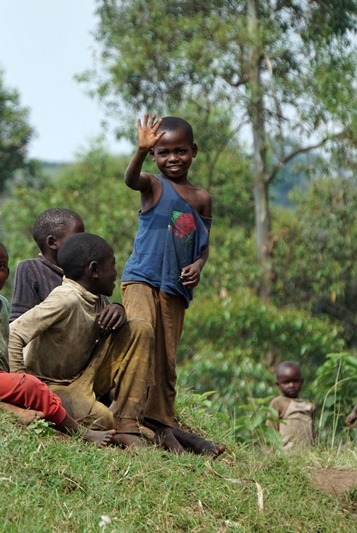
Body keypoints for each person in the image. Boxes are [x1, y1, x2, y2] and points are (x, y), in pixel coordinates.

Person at [0, 235, 115, 447]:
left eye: (0, 266)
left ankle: (12, 410)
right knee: (30, 385)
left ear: (7, 272)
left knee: (27, 391)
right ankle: (79, 431)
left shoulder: (2, 304)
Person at [119, 114, 224, 456]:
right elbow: (129, 179)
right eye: (163, 153)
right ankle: (127, 416)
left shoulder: (202, 198)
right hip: (141, 278)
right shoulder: (152, 184)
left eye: (180, 151)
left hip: (174, 287)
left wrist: (198, 265)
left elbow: (202, 244)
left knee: (167, 359)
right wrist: (138, 151)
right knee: (141, 334)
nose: (172, 158)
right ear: (154, 156)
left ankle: (162, 424)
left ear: (193, 151)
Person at [9, 232, 168, 450]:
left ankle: (127, 421)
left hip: (85, 378)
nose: (115, 273)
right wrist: (22, 385)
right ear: (93, 270)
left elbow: (123, 342)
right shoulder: (65, 299)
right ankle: (117, 423)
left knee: (140, 329)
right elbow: (14, 333)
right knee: (101, 419)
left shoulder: (96, 298)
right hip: (53, 386)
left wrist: (119, 310)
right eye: (112, 265)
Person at [9, 208, 85, 322]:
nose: (83, 244)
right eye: (76, 240)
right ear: (52, 243)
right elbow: (18, 323)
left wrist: (116, 308)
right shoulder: (31, 269)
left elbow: (101, 307)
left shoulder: (83, 272)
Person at [268, 361, 316, 449]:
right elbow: (270, 430)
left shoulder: (309, 405)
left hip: (307, 455)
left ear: (301, 382)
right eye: (286, 382)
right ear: (278, 384)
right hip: (285, 456)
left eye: (296, 381)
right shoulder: (277, 403)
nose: (291, 385)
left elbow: (312, 432)